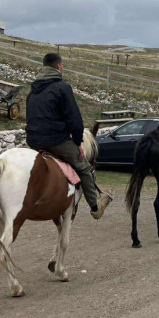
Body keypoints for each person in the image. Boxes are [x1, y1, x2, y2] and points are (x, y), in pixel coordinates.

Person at [26, 53, 112, 220]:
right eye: (62, 66)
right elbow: (75, 120)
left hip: (34, 141)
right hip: (55, 141)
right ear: (58, 67)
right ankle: (95, 207)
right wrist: (79, 142)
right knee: (85, 168)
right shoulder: (62, 88)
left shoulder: (33, 91)